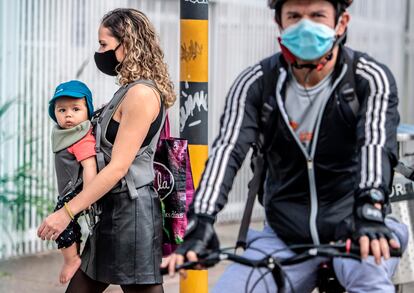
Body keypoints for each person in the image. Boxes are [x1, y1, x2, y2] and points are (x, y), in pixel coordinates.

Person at [163, 0, 409, 292]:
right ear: (279, 23)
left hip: (357, 229)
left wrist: (369, 208)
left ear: (341, 23)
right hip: (283, 237)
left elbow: (375, 144)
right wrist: (201, 220)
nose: (305, 25)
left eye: (317, 15)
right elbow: (227, 151)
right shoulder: (256, 83)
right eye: (294, 16)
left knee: (368, 281)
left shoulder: (368, 78)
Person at [37, 8, 176, 293]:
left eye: (104, 45)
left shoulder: (141, 94)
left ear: (126, 45)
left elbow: (118, 167)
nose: (99, 52)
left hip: (132, 218)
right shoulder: (127, 90)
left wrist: (66, 213)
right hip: (113, 213)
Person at [48, 80, 97, 284]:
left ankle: (72, 259)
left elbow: (89, 167)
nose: (68, 115)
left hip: (80, 190)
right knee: (68, 223)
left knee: (62, 224)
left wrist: (88, 196)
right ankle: (74, 253)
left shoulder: (82, 138)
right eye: (62, 110)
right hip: (69, 190)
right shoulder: (64, 134)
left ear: (88, 111)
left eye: (75, 109)